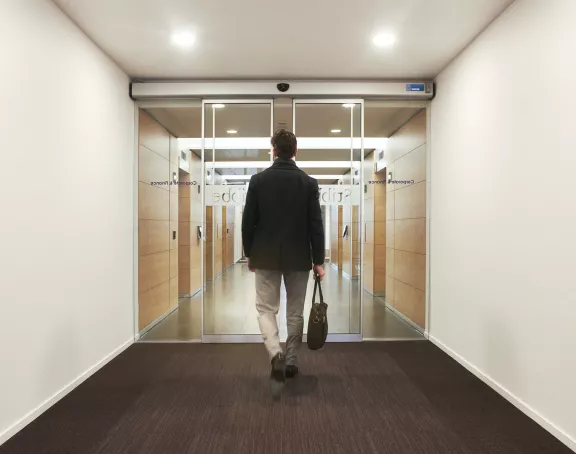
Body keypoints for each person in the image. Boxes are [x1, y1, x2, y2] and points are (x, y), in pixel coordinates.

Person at [242, 129, 325, 394]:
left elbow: (248, 222)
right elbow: (316, 225)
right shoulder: (309, 183)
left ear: (273, 150)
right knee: (296, 311)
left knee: (266, 309)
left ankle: (275, 352)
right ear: (296, 150)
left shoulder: (258, 181)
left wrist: (250, 252)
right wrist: (318, 260)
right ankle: (290, 362)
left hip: (265, 255)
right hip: (299, 256)